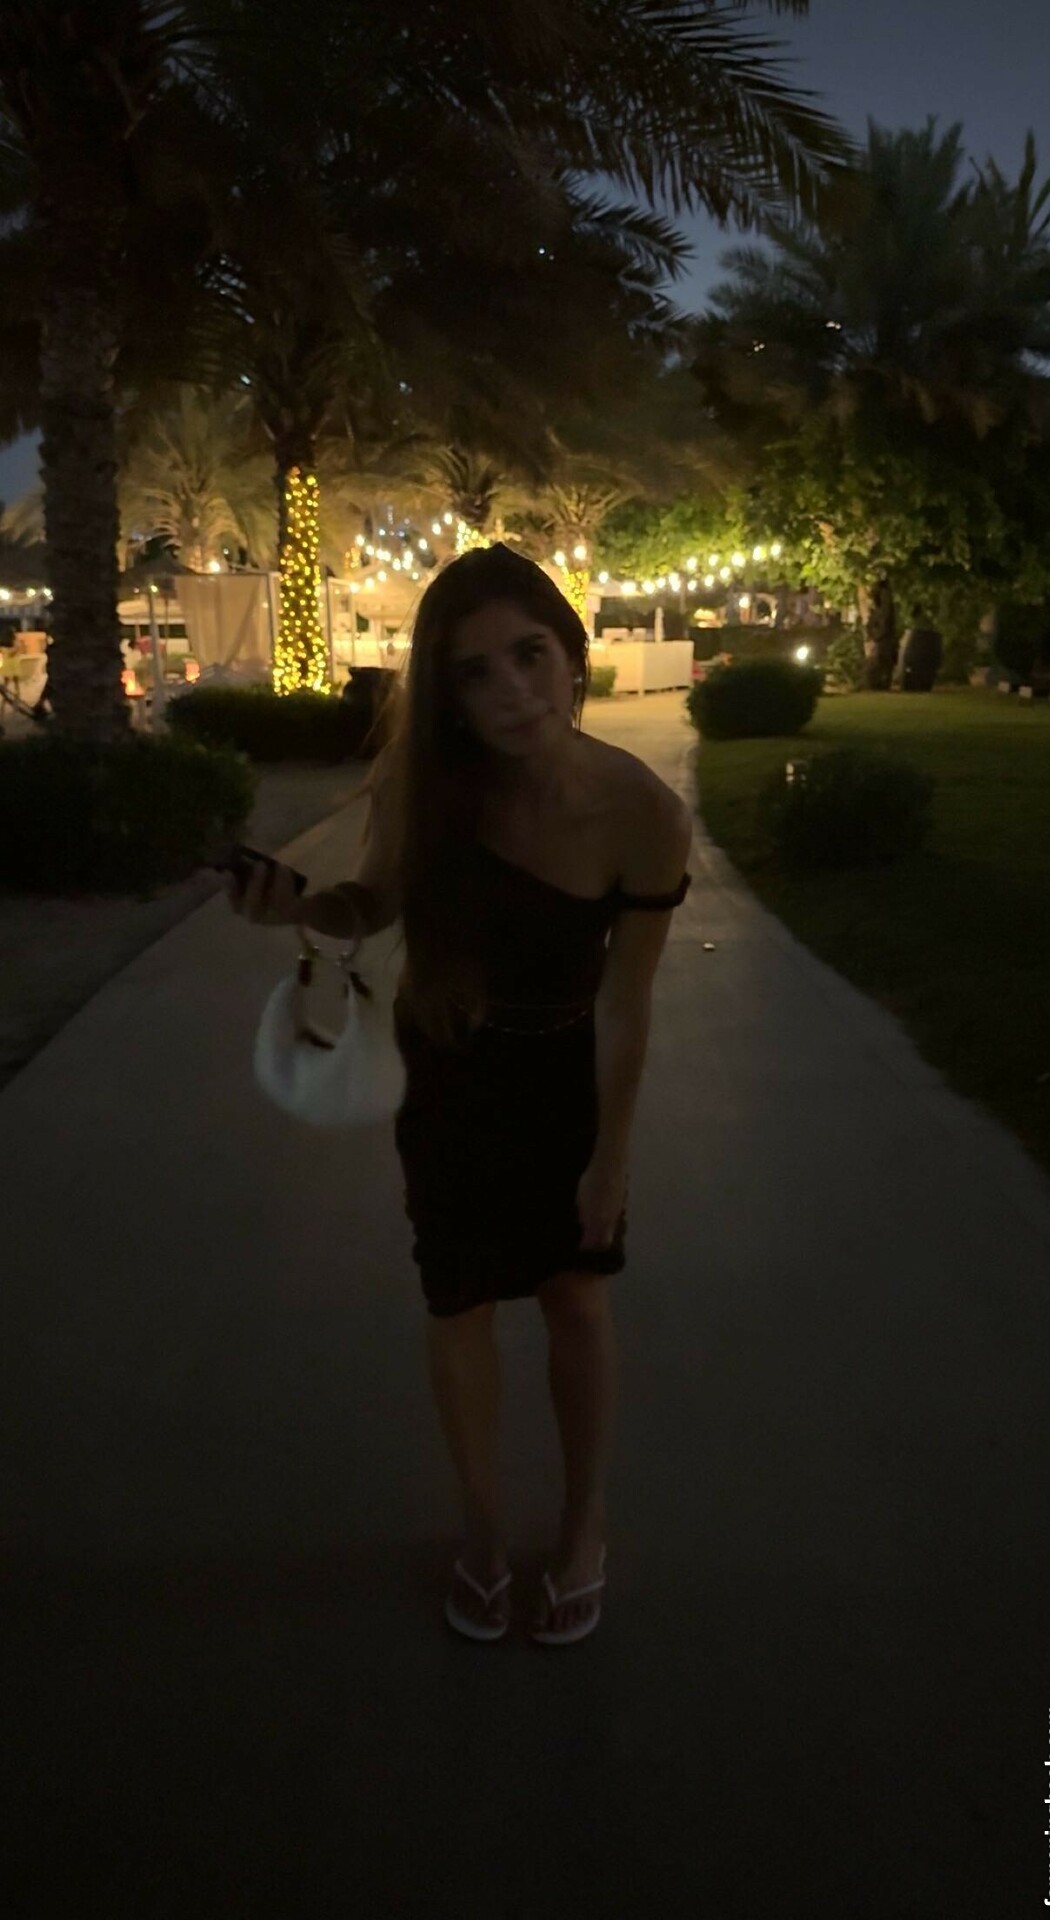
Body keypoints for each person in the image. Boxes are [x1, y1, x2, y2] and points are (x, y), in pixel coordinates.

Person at [226, 544, 693, 1647]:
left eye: (529, 654)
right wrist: (297, 908)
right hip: (450, 1069)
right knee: (460, 1303)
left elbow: (627, 1002)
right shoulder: (429, 787)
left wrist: (611, 1159)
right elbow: (370, 905)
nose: (512, 690)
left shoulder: (643, 812)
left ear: (571, 654)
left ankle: (583, 1526)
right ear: (449, 693)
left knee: (577, 1298)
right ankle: (482, 1530)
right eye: (475, 672)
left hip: (565, 1076)